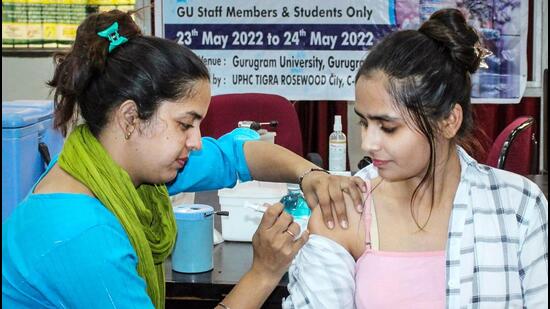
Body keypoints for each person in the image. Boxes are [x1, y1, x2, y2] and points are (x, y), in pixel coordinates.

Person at [1, 9, 368, 309]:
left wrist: (309, 174)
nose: (196, 142)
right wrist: (264, 272)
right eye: (185, 124)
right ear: (131, 119)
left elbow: (235, 154)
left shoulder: (105, 163)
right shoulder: (83, 235)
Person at [283, 8, 548, 308]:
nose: (368, 143)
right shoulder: (347, 210)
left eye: (388, 127)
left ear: (449, 120)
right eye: (364, 122)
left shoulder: (518, 207)